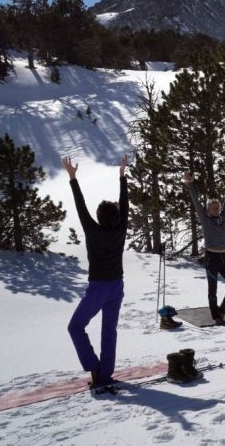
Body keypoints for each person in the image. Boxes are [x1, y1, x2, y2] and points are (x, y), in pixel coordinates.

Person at [63, 155, 129, 390]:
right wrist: (122, 176)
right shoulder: (121, 229)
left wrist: (73, 178)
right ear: (118, 217)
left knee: (75, 327)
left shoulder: (93, 231)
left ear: (99, 218)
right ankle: (104, 374)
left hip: (99, 288)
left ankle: (94, 366)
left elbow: (80, 206)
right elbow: (125, 203)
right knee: (109, 331)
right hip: (117, 287)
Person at [185, 167, 225, 325]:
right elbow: (196, 202)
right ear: (208, 210)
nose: (217, 210)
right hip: (211, 257)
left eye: (218, 208)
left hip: (223, 257)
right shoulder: (205, 219)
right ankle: (216, 317)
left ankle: (222, 310)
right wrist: (190, 184)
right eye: (214, 208)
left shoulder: (223, 217)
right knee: (213, 289)